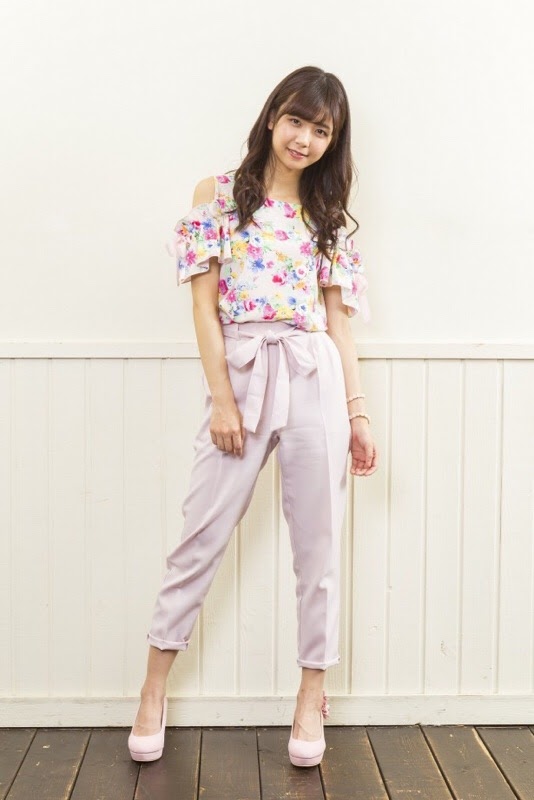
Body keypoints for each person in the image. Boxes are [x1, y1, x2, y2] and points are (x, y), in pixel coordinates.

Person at [128, 64, 379, 767]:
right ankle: (152, 689)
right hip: (241, 369)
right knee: (200, 536)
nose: (304, 138)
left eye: (320, 130)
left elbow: (338, 325)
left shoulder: (327, 219)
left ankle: (311, 697)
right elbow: (203, 307)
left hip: (313, 373)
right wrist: (224, 400)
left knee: (319, 549)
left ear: (332, 142)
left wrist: (358, 413)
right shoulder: (217, 196)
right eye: (296, 120)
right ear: (272, 117)